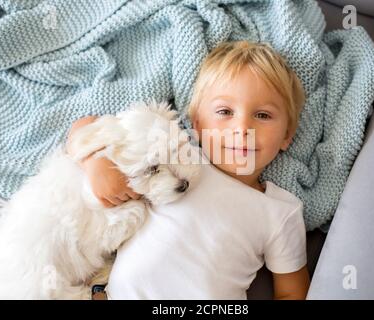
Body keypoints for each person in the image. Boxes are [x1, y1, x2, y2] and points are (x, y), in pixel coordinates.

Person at [66, 40, 309, 299]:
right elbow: (84, 125)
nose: (241, 128)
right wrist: (96, 163)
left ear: (287, 135)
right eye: (225, 111)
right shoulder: (173, 155)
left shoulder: (281, 211)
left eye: (262, 115)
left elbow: (293, 293)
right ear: (197, 123)